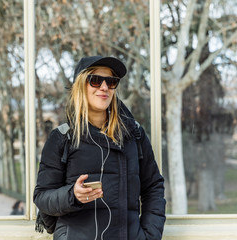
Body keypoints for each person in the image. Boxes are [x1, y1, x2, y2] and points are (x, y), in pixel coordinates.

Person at [33, 56, 166, 240]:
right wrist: (73, 195)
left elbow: (153, 187)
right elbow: (42, 197)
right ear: (81, 85)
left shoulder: (134, 135)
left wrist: (149, 236)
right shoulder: (62, 138)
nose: (104, 87)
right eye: (95, 80)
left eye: (111, 82)